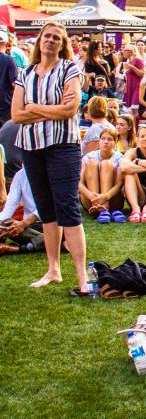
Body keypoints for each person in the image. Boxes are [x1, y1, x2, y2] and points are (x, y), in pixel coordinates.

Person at [10, 22, 88, 294]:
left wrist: (35, 108)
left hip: (62, 146)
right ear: (39, 40)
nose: (51, 41)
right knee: (46, 210)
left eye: (57, 37)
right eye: (47, 36)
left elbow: (71, 109)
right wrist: (49, 110)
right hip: (32, 147)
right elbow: (17, 115)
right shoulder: (26, 73)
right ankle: (53, 269)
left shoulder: (69, 69)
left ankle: (81, 278)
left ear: (62, 43)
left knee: (68, 208)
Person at [79, 128, 125, 221]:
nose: (106, 142)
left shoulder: (119, 157)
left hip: (113, 200)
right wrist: (91, 196)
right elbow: (79, 182)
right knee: (92, 162)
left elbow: (119, 184)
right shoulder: (89, 156)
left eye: (109, 139)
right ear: (99, 142)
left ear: (115, 143)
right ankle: (97, 206)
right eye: (103, 139)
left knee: (106, 164)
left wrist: (105, 196)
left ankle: (104, 207)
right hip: (91, 200)